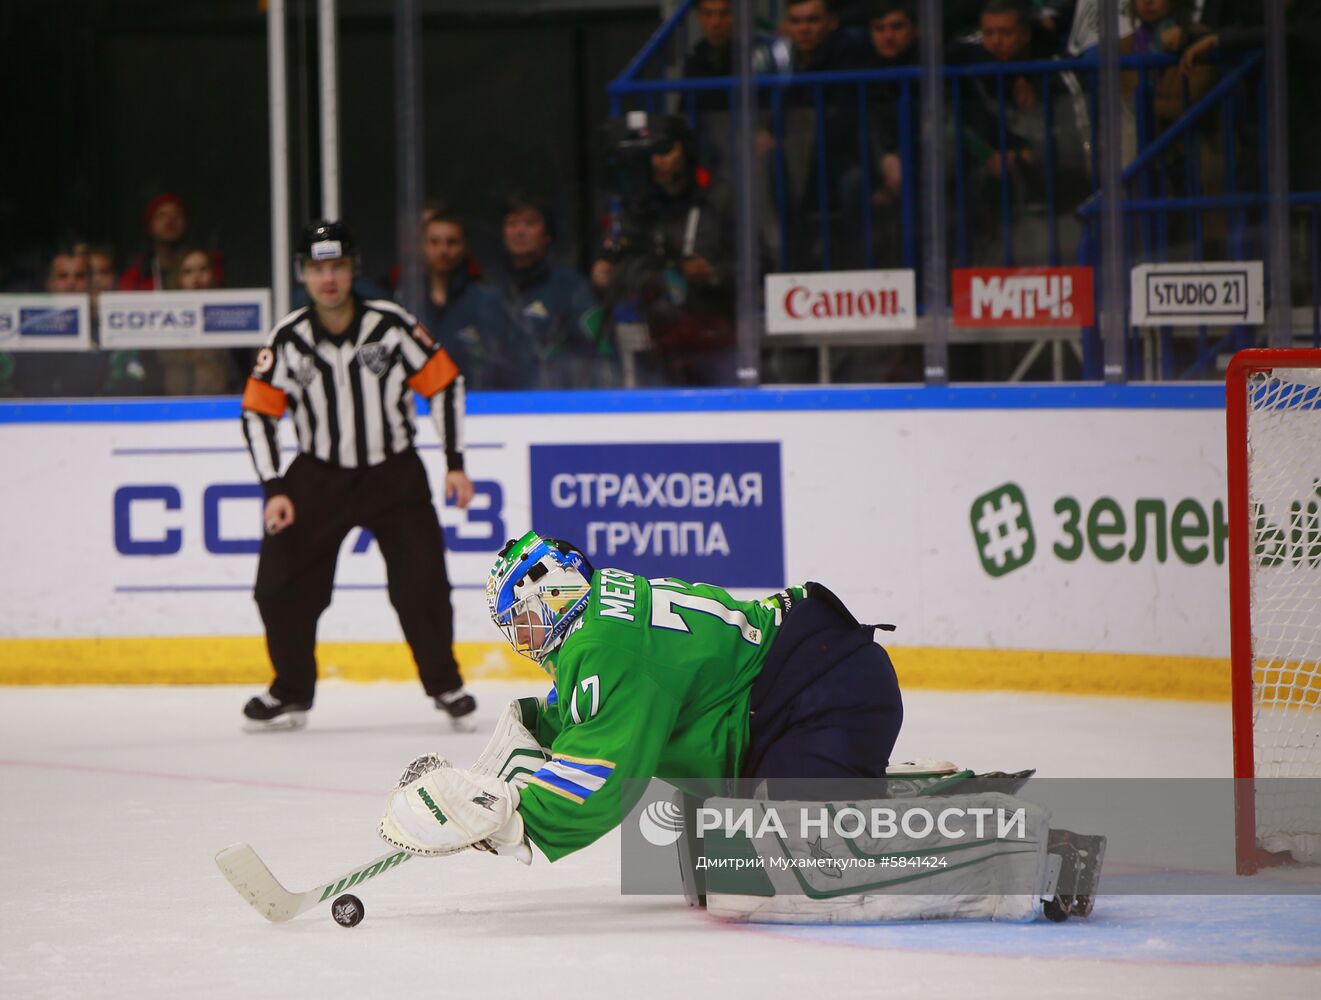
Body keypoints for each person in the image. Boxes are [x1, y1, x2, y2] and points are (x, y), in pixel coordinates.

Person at [380, 529, 903, 861]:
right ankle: (854, 776)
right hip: (806, 683)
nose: (524, 642)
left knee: (795, 860)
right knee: (718, 858)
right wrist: (527, 736)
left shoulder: (606, 648)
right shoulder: (603, 610)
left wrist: (514, 821)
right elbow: (594, 716)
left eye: (523, 624)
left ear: (547, 602)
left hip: (826, 696)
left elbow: (604, 775)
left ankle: (904, 801)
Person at [239, 220, 477, 730]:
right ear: (303, 273)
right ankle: (291, 691)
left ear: (354, 271)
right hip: (317, 478)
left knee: (424, 584)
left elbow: (445, 383)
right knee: (278, 588)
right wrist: (274, 487)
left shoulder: (390, 325)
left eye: (338, 267)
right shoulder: (287, 339)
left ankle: (445, 683)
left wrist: (455, 463)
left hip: (394, 475)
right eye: (317, 268)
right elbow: (257, 412)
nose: (329, 279)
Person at [592, 113, 739, 386]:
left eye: (665, 150)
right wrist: (606, 269)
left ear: (686, 149)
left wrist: (712, 275)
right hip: (658, 345)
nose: (657, 161)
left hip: (715, 341)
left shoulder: (720, 199)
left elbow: (760, 265)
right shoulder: (637, 208)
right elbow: (612, 264)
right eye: (650, 154)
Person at [495, 194, 614, 389]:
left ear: (547, 235)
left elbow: (599, 357)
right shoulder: (489, 291)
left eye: (530, 223)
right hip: (495, 408)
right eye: (512, 223)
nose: (519, 231)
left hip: (554, 407)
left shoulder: (571, 288)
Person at [417, 205, 515, 390]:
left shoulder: (486, 300)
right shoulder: (407, 299)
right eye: (434, 242)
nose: (443, 250)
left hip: (476, 407)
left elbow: (501, 366)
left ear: (465, 247)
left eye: (452, 242)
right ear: (422, 246)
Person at [156, 247, 242, 395]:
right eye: (188, 271)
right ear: (178, 277)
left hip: (220, 406)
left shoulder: (230, 317)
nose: (196, 277)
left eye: (203, 269)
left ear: (214, 274)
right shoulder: (163, 320)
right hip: (172, 407)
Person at [118, 193, 192, 291]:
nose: (169, 221)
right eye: (161, 215)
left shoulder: (205, 269)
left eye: (177, 214)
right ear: (150, 226)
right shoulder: (136, 275)